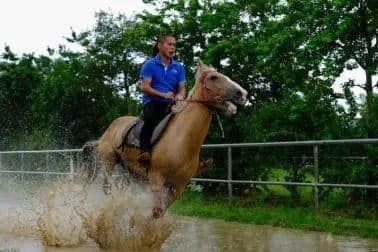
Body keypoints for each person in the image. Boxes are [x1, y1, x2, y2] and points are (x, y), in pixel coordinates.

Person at [138, 34, 186, 163]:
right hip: (152, 102)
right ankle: (144, 152)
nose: (173, 47)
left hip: (172, 104)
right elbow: (145, 87)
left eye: (174, 45)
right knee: (152, 116)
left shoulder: (179, 67)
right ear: (160, 46)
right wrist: (163, 95)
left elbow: (182, 88)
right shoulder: (149, 64)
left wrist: (180, 96)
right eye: (169, 44)